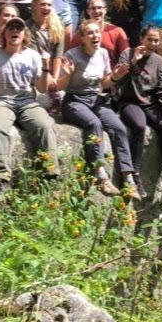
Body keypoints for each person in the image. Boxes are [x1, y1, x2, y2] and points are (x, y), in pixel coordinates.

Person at [0, 17, 60, 199]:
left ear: (24, 34)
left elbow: (41, 89)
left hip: (27, 102)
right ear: (4, 34)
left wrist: (46, 68)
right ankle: (0, 178)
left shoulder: (33, 56)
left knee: (45, 125)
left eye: (19, 29)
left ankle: (50, 172)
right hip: (3, 101)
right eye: (11, 28)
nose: (15, 31)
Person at [58, 20, 141, 200]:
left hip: (95, 99)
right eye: (90, 33)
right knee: (94, 124)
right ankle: (101, 175)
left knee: (118, 127)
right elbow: (59, 86)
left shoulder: (103, 53)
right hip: (74, 100)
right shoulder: (71, 55)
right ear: (82, 37)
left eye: (97, 32)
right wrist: (68, 73)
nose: (95, 36)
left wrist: (116, 77)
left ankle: (128, 179)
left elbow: (104, 83)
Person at [114, 25, 162, 198]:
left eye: (156, 40)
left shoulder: (158, 60)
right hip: (129, 100)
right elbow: (119, 81)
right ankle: (135, 176)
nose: (153, 43)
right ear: (141, 39)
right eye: (149, 39)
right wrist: (134, 61)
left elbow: (160, 88)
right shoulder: (127, 54)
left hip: (150, 102)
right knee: (139, 126)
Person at [28, 0, 66, 112]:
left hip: (54, 70)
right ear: (34, 6)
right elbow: (35, 56)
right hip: (36, 69)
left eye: (49, 5)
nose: (46, 8)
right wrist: (49, 79)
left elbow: (58, 55)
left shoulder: (58, 25)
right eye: (43, 4)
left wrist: (54, 79)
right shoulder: (27, 27)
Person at [68, 0, 130, 68]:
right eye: (93, 8)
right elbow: (71, 54)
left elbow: (126, 54)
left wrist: (118, 72)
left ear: (105, 10)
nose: (96, 11)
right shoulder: (82, 32)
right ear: (88, 11)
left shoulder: (117, 31)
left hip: (111, 74)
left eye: (99, 8)